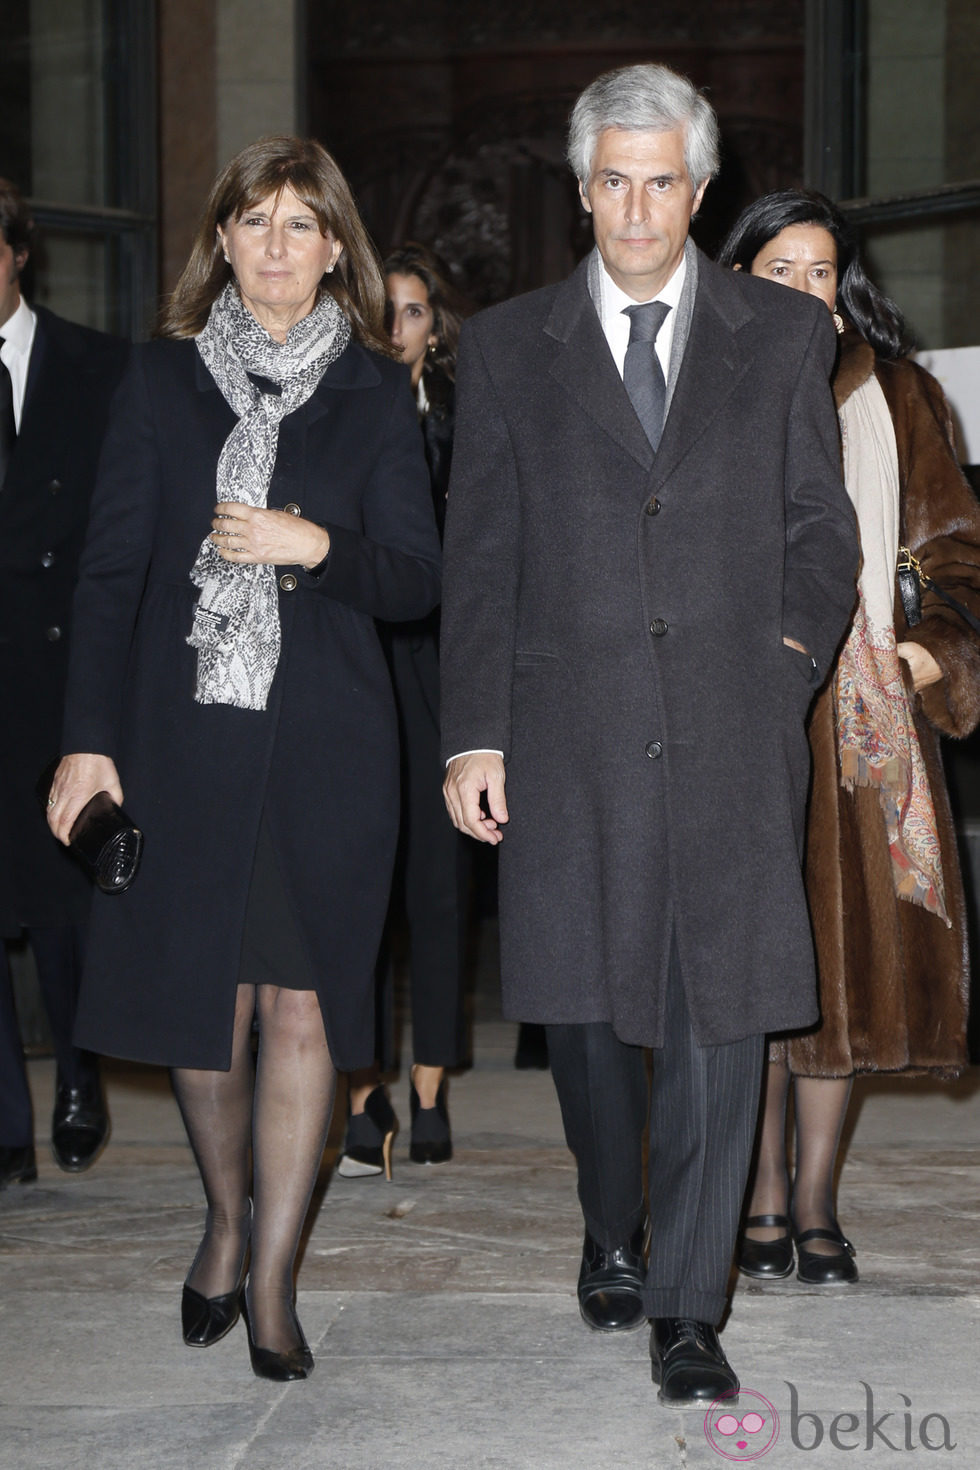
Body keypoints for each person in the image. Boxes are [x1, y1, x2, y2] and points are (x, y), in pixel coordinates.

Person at [440, 63, 858, 1407]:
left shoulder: (785, 337)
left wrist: (789, 658)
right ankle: (610, 1219)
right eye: (610, 181)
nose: (635, 206)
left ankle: (688, 1299)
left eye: (660, 179)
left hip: (737, 727)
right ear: (582, 192)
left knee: (716, 1014)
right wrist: (473, 736)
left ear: (699, 187)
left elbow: (821, 533)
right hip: (569, 735)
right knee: (583, 1020)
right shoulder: (508, 348)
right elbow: (481, 559)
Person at [45, 136, 441, 1381]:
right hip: (180, 740)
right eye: (255, 223)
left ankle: (271, 1279)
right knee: (204, 1013)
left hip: (328, 747)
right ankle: (224, 1218)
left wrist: (309, 542)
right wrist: (84, 744)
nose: (277, 246)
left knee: (306, 1002)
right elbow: (108, 577)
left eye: (302, 226)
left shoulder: (378, 390)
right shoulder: (158, 385)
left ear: (337, 249)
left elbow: (418, 579)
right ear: (221, 240)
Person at [717, 188, 980, 1286]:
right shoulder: (696, 387)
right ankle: (756, 1197)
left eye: (818, 270)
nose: (800, 288)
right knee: (752, 970)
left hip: (867, 719)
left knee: (845, 975)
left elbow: (957, 552)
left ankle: (812, 1203)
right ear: (736, 279)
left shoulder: (900, 393)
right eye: (777, 267)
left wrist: (924, 658)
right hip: (734, 713)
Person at [0, 179, 125, 1189]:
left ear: (16, 253)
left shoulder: (97, 366)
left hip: (59, 668)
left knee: (63, 899)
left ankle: (79, 1072)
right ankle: (4, 1124)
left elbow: (122, 539)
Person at [339, 243, 469, 1176]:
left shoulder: (466, 421)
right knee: (353, 887)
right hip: (352, 664)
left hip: (443, 672)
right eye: (383, 308)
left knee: (439, 886)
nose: (396, 326)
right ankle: (356, 1089)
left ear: (436, 326)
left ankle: (429, 1087)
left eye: (413, 310)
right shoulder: (335, 415)